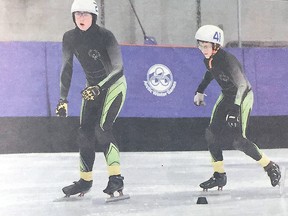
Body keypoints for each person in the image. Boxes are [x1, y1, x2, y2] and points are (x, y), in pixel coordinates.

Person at [193, 25, 281, 191]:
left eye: (206, 46)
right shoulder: (210, 58)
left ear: (216, 46)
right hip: (227, 95)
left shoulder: (227, 60)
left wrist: (235, 109)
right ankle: (219, 175)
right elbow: (210, 72)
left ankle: (270, 166)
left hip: (242, 96)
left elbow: (241, 84)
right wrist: (200, 90)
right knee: (211, 134)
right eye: (200, 45)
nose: (202, 49)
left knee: (238, 141)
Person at [55, 0, 127, 198]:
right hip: (92, 88)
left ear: (94, 16)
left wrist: (99, 87)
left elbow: (119, 68)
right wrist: (63, 99)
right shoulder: (69, 37)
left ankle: (116, 178)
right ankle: (85, 180)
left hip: (113, 86)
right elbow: (66, 68)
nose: (81, 18)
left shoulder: (106, 35)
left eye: (85, 14)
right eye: (77, 14)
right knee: (84, 132)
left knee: (103, 129)